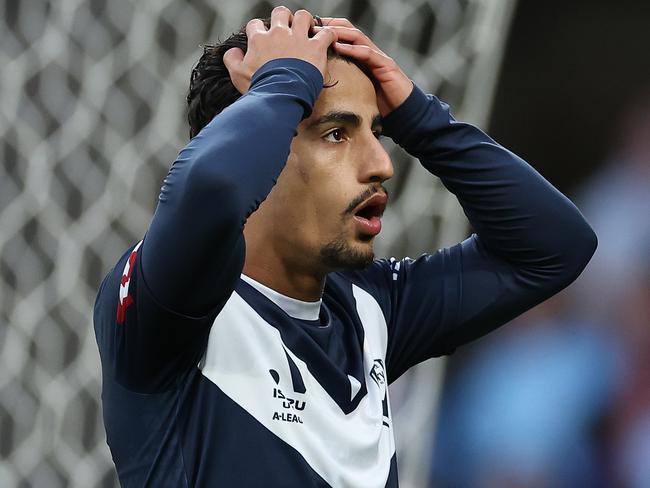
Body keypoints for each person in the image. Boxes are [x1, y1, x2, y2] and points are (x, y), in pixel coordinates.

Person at [93, 7, 597, 487]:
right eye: (336, 134)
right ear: (259, 152)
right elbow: (210, 192)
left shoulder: (374, 306)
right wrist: (286, 79)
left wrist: (420, 119)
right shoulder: (171, 306)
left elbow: (553, 246)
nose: (382, 164)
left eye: (377, 132)